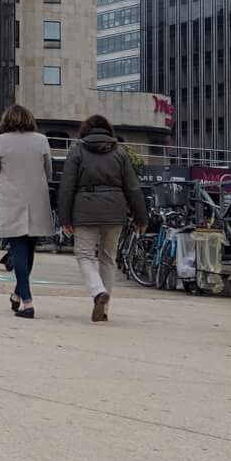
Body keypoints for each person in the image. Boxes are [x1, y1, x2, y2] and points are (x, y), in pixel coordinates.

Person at [57, 113, 148, 321]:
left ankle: (98, 291)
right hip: (115, 211)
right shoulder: (120, 152)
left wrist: (64, 218)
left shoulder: (77, 151)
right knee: (108, 258)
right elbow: (132, 187)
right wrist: (141, 217)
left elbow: (67, 187)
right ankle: (104, 310)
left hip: (84, 210)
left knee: (84, 255)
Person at [0, 104, 53, 319]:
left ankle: (28, 302)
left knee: (18, 250)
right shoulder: (41, 140)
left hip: (13, 200)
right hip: (37, 200)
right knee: (29, 250)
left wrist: (5, 179)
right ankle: (17, 294)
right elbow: (49, 172)